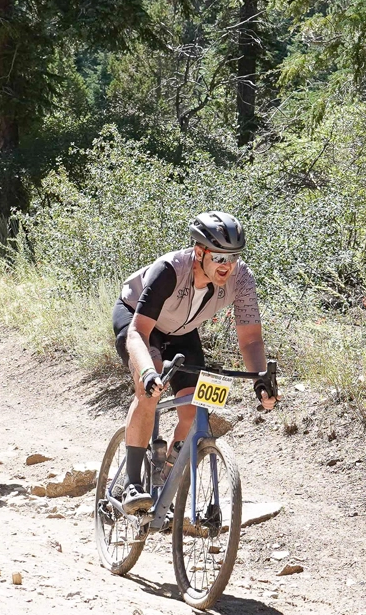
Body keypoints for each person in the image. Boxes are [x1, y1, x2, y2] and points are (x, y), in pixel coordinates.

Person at [112, 211, 278, 514]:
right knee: (149, 391)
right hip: (138, 321)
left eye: (234, 257)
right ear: (200, 252)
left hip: (182, 332)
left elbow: (251, 340)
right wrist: (148, 372)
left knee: (193, 407)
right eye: (219, 258)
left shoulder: (242, 279)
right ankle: (132, 484)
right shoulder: (171, 270)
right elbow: (138, 332)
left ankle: (165, 476)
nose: (227, 266)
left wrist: (260, 378)